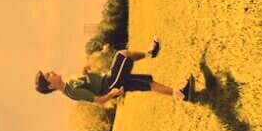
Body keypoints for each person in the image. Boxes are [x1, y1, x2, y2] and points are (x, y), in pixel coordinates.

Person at [36, 40, 195, 104]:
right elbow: (98, 100)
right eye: (48, 75)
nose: (51, 72)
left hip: (110, 82)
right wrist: (112, 93)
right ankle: (149, 54)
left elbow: (89, 85)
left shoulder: (70, 84)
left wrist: (85, 73)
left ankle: (180, 94)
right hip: (111, 84)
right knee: (122, 54)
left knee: (148, 84)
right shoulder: (72, 92)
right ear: (50, 86)